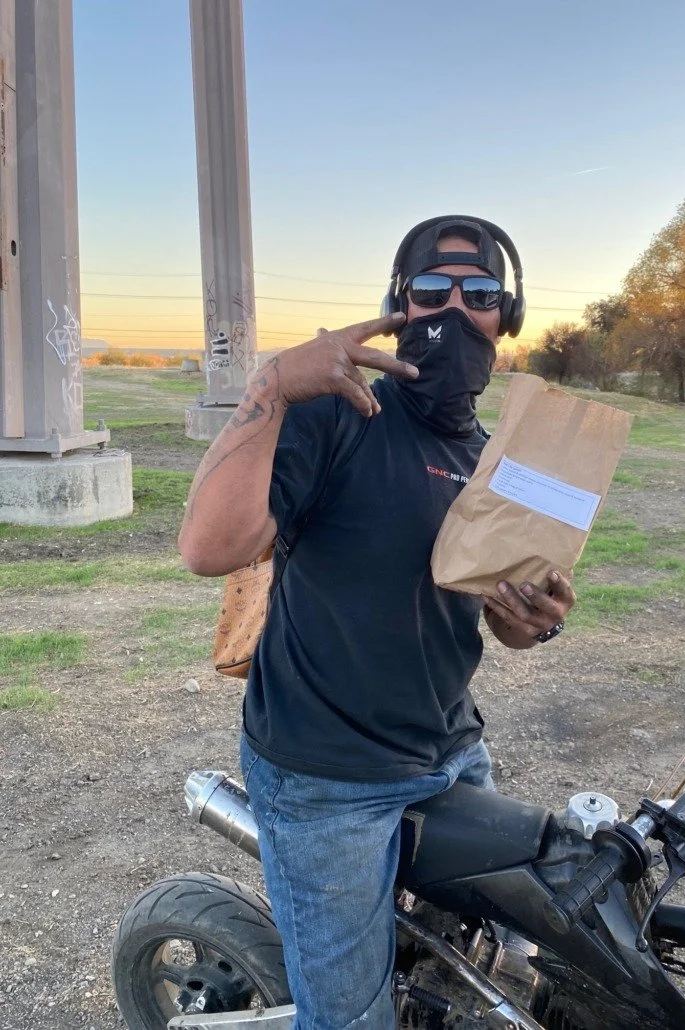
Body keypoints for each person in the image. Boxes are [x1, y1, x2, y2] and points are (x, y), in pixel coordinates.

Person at [179, 216, 576, 1028]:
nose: (454, 311)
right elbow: (207, 549)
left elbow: (499, 621)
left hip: (454, 750)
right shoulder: (337, 413)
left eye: (481, 294)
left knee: (505, 961)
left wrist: (532, 621)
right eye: (431, 291)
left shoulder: (497, 458)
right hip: (326, 780)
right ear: (398, 307)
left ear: (509, 317)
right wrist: (271, 386)